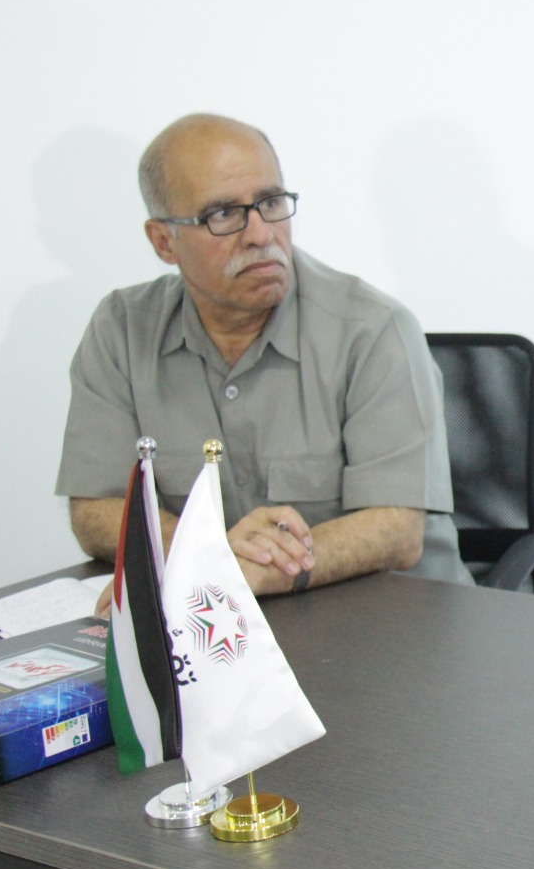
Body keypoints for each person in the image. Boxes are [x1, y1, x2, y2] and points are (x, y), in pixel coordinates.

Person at [58, 113, 470, 602]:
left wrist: (247, 569)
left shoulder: (374, 329)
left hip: (399, 619)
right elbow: (95, 509)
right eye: (223, 214)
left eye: (271, 203)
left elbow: (398, 530)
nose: (260, 234)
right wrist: (210, 557)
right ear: (164, 241)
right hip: (232, 622)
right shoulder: (122, 330)